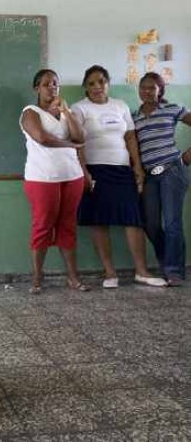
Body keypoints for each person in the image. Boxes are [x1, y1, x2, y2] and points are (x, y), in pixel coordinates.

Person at [71, 65, 166, 289]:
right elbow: (77, 142)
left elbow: (130, 138)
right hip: (95, 169)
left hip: (122, 168)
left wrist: (138, 167)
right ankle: (109, 273)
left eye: (101, 81)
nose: (97, 86)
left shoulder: (120, 106)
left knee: (132, 218)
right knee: (99, 219)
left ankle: (141, 271)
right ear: (85, 86)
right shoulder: (78, 109)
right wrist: (84, 172)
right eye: (92, 83)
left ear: (108, 83)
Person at [20, 69, 89, 294]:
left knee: (68, 226)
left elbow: (80, 137)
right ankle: (37, 278)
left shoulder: (65, 112)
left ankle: (73, 277)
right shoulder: (30, 112)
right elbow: (42, 138)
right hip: (42, 179)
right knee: (43, 225)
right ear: (36, 88)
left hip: (72, 176)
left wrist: (66, 111)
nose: (52, 88)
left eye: (56, 84)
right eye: (47, 84)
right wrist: (70, 145)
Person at [132, 72, 191, 286]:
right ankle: (167, 260)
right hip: (149, 176)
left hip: (172, 170)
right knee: (150, 223)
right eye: (143, 87)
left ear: (160, 90)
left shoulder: (171, 109)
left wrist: (187, 156)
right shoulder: (133, 116)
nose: (147, 91)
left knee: (173, 222)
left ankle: (174, 271)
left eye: (152, 88)